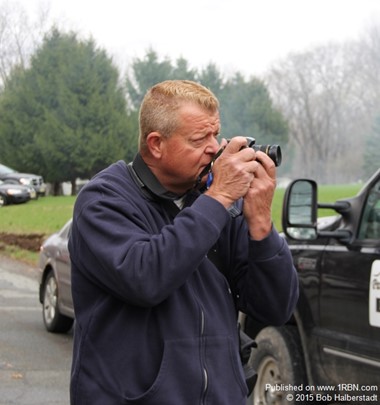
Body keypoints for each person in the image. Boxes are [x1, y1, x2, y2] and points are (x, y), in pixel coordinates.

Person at [68, 79, 298, 405]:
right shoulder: (104, 199)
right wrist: (217, 198)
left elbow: (275, 306)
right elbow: (145, 279)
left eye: (215, 134)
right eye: (199, 138)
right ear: (156, 144)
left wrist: (261, 221)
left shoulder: (216, 202)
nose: (213, 147)